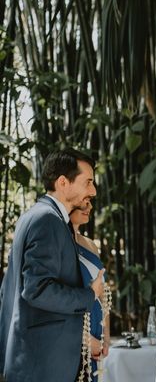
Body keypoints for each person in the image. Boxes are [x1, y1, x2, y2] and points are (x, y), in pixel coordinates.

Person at [0, 148, 104, 382]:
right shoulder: (47, 220)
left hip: (38, 357)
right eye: (88, 182)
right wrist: (89, 295)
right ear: (63, 182)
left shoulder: (38, 216)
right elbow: (37, 289)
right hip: (43, 362)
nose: (93, 191)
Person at [70, 202, 111, 382]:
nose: (90, 206)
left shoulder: (90, 245)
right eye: (83, 201)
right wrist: (87, 339)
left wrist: (106, 338)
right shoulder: (61, 246)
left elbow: (103, 294)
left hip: (96, 342)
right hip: (74, 341)